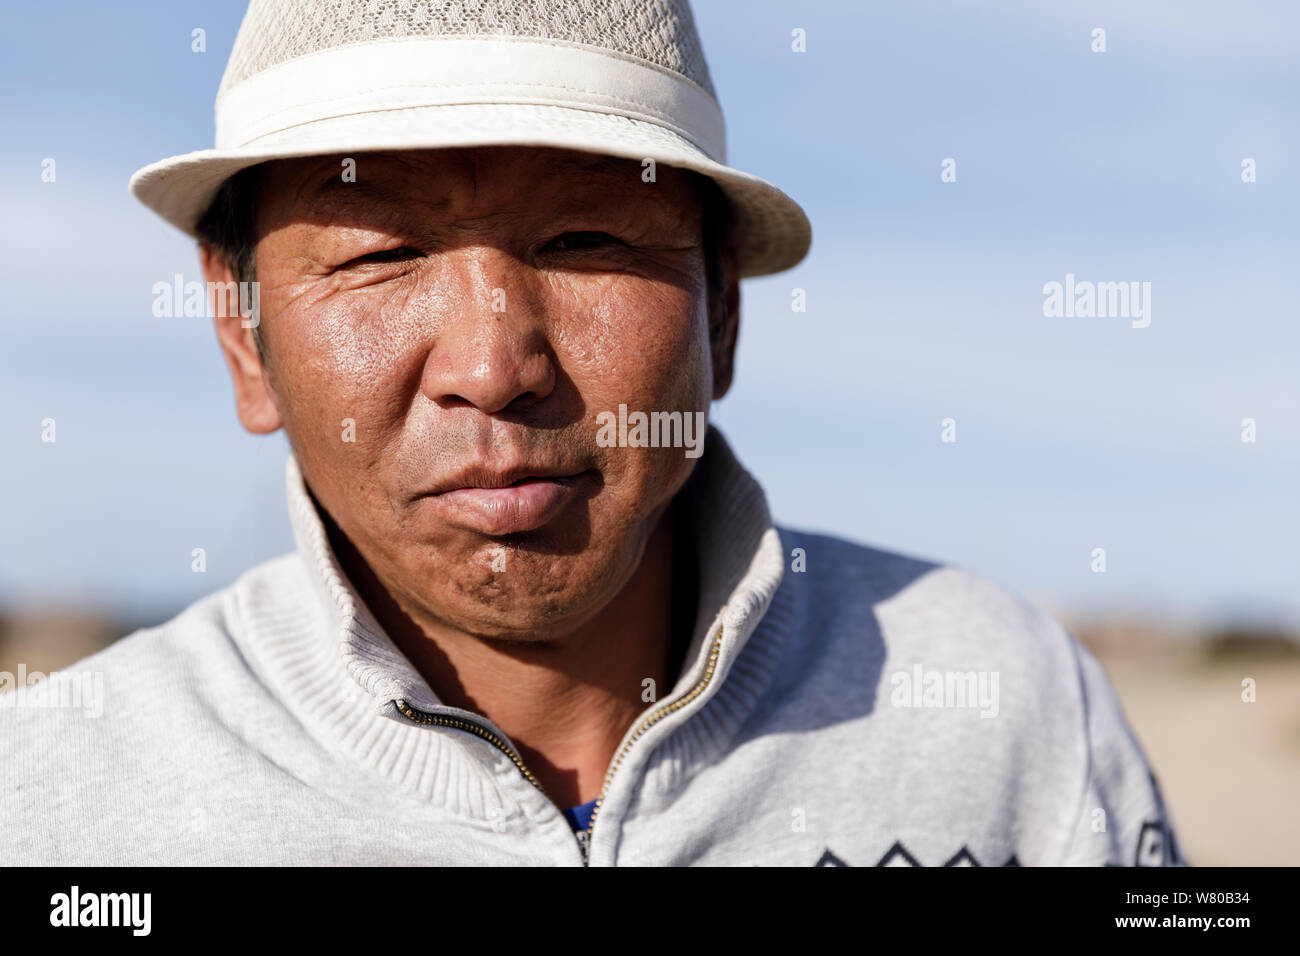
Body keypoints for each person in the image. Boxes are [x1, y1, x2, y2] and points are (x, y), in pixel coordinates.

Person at [0, 0, 1181, 866]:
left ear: (721, 307)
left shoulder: (1007, 707)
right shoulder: (56, 801)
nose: (489, 368)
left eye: (585, 242)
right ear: (244, 335)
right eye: (378, 256)